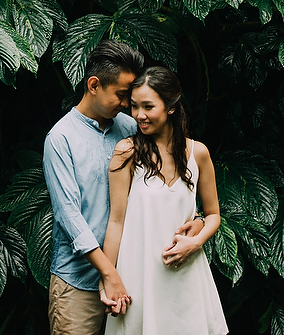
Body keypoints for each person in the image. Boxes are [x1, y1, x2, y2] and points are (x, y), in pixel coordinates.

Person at [43, 43, 204, 335]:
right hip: (81, 280)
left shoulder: (132, 127)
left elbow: (176, 176)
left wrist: (199, 219)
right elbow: (70, 217)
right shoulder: (61, 139)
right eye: (121, 95)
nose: (127, 104)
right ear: (94, 85)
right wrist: (108, 273)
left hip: (136, 275)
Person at [102, 66, 228, 335]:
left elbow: (214, 214)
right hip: (139, 274)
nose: (139, 115)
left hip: (186, 273)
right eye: (134, 106)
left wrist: (195, 241)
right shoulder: (126, 151)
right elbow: (116, 220)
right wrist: (108, 279)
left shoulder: (199, 153)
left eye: (148, 106)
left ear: (170, 107)